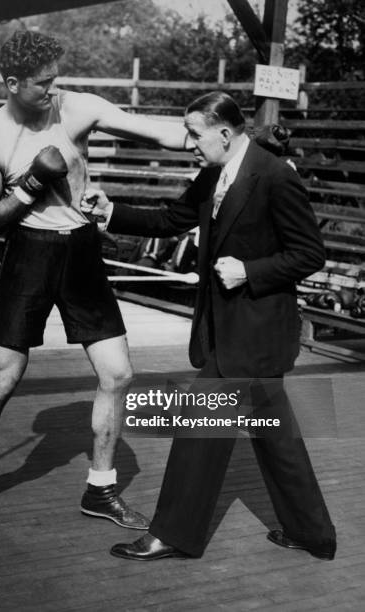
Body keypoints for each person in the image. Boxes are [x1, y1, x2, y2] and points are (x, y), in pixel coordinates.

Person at [0, 29, 189, 534]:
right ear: (12, 83)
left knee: (118, 373)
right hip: (29, 255)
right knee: (4, 377)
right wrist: (32, 185)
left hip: (81, 251)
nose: (52, 91)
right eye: (41, 84)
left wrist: (230, 136)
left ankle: (100, 490)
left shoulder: (76, 109)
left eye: (56, 80)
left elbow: (157, 132)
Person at [82, 91, 337, 561]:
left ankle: (173, 533)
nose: (189, 143)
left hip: (257, 333)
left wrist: (250, 271)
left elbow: (310, 254)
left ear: (224, 132)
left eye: (195, 134)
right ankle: (313, 533)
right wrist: (110, 211)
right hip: (229, 331)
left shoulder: (276, 176)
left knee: (199, 429)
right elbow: (171, 219)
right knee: (278, 441)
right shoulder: (214, 172)